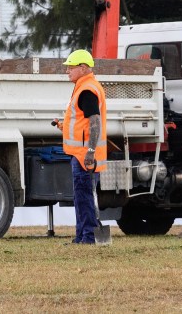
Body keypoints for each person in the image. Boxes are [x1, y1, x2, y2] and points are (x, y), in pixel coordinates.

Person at [53, 49, 107, 245]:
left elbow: (95, 122)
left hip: (85, 156)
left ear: (83, 68)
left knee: (84, 197)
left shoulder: (86, 89)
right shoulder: (84, 87)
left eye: (71, 67)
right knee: (82, 197)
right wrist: (63, 126)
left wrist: (90, 152)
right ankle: (82, 236)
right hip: (82, 153)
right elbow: (83, 124)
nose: (67, 70)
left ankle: (89, 237)